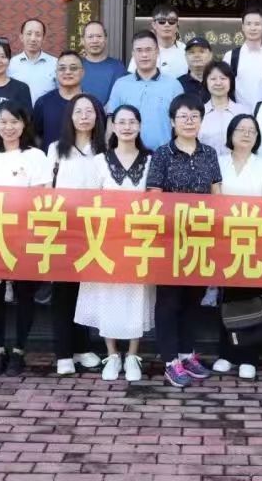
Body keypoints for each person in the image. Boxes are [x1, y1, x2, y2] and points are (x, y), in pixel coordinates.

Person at [74, 105, 155, 383]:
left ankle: (132, 355)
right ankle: (112, 354)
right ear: (113, 127)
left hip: (139, 240)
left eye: (132, 122)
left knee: (136, 296)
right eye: (121, 122)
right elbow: (87, 200)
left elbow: (156, 199)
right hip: (106, 239)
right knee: (107, 295)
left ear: (140, 126)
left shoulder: (151, 160)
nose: (127, 127)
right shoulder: (99, 161)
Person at [146, 95, 222, 387]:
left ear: (201, 120)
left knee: (193, 298)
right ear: (172, 121)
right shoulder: (162, 154)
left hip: (201, 238)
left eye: (194, 116)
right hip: (170, 238)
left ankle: (187, 354)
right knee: (169, 300)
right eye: (183, 117)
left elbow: (216, 193)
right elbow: (154, 195)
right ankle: (170, 361)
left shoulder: (209, 154)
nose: (189, 122)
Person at [0, 101, 52, 376]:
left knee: (24, 293)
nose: (9, 127)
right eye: (3, 122)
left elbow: (42, 196)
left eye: (15, 122)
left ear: (24, 124)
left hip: (25, 234)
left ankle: (19, 350)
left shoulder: (36, 156)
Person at [211, 114, 262, 381]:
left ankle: (249, 357)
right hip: (224, 238)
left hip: (253, 239)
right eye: (241, 129)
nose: (246, 134)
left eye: (252, 130)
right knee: (225, 297)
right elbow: (214, 199)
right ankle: (226, 353)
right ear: (231, 133)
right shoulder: (219, 162)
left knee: (250, 298)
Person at [46, 94, 106, 376]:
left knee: (88, 290)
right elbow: (47, 190)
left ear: (97, 116)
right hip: (63, 228)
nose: (84, 116)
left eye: (89, 111)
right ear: (70, 117)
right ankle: (63, 353)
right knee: (63, 291)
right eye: (78, 111)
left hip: (95, 229)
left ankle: (83, 348)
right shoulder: (56, 149)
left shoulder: (106, 149)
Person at [107, 31, 184, 150]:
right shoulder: (121, 85)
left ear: (157, 51)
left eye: (148, 50)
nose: (144, 55)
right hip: (128, 155)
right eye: (139, 50)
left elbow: (181, 124)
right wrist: (109, 151)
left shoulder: (174, 85)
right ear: (133, 54)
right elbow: (111, 122)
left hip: (165, 155)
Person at [224, 7, 262, 109]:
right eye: (248, 24)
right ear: (243, 27)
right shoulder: (231, 56)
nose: (253, 28)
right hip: (238, 114)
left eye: (257, 24)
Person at [32, 50, 86, 152]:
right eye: (62, 68)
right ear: (56, 73)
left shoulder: (92, 104)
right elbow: (36, 136)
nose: (68, 72)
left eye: (73, 68)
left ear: (82, 72)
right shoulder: (43, 103)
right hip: (50, 160)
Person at [199, 60, 248, 156]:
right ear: (206, 82)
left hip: (236, 164)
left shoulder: (243, 112)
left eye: (223, 78)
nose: (218, 83)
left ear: (231, 81)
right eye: (213, 79)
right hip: (206, 164)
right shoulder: (198, 113)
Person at [128, 4, 187, 78]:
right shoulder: (144, 51)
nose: (167, 25)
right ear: (154, 25)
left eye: (171, 21)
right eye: (161, 21)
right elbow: (132, 78)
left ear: (177, 24)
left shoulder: (185, 50)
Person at [8, 18, 57, 102]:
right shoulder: (11, 64)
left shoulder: (55, 63)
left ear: (43, 38)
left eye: (38, 34)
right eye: (29, 34)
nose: (33, 39)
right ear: (21, 37)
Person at [80, 20, 127, 106]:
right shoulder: (77, 66)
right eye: (90, 37)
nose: (95, 40)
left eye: (99, 36)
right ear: (83, 40)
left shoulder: (118, 67)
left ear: (105, 39)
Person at [178, 36, 213, 103]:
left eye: (202, 52)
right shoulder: (178, 84)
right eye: (192, 52)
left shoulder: (219, 82)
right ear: (186, 57)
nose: (197, 55)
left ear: (210, 55)